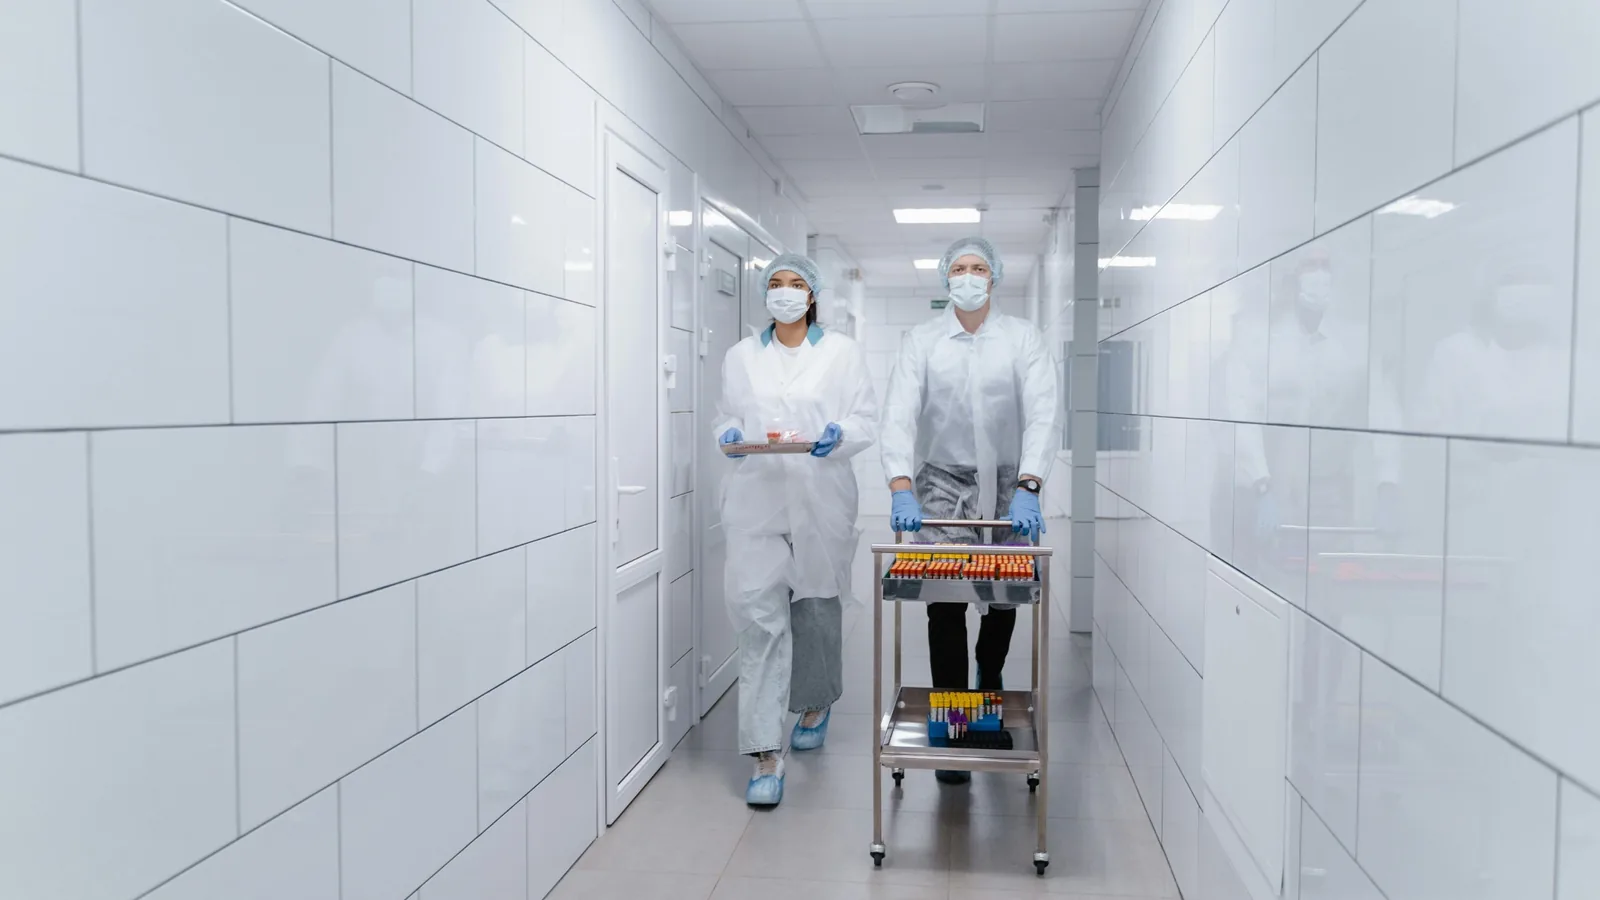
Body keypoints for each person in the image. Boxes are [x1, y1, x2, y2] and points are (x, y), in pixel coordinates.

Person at [880, 236, 1058, 785]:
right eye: (959, 268)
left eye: (978, 267)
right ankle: (954, 724)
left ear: (994, 276)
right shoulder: (923, 341)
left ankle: (990, 671)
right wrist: (901, 486)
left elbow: (1044, 411)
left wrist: (1029, 483)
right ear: (946, 278)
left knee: (1004, 595)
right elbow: (898, 413)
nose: (969, 276)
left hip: (1008, 483)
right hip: (941, 482)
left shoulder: (1022, 339)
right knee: (944, 601)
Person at [713, 253, 878, 807]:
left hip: (821, 499)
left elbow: (865, 418)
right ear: (766, 292)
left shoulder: (841, 353)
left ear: (813, 294)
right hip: (756, 501)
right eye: (776, 283)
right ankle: (765, 753)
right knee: (759, 620)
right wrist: (729, 435)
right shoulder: (741, 356)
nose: (785, 292)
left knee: (816, 609)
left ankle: (815, 702)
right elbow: (726, 415)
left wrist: (841, 433)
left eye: (796, 283)